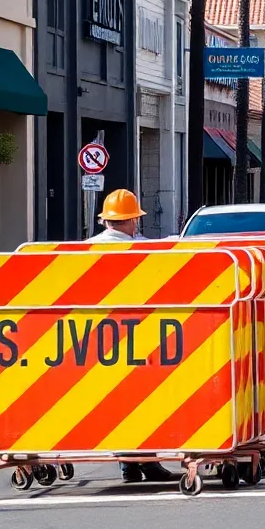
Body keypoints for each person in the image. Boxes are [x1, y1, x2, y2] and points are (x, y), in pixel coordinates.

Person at [89, 189, 175, 484]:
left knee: (113, 403)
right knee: (143, 402)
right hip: (142, 339)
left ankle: (130, 463)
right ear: (134, 220)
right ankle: (144, 462)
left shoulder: (84, 250)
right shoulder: (143, 249)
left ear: (105, 221)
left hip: (98, 342)